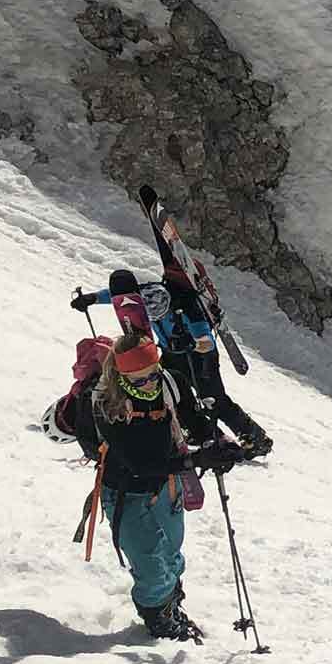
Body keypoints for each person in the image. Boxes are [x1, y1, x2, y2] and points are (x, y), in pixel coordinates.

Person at [71, 218, 271, 460]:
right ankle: (204, 435)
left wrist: (202, 355)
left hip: (200, 357)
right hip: (171, 354)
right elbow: (118, 296)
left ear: (169, 304)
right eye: (151, 312)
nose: (155, 315)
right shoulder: (148, 294)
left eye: (160, 312)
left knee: (215, 400)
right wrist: (91, 299)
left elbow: (205, 339)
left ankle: (256, 439)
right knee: (176, 396)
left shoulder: (187, 307)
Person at [89, 335, 237, 641]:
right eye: (139, 380)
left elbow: (193, 420)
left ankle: (171, 606)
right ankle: (160, 622)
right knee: (151, 567)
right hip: (125, 493)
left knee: (171, 556)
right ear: (120, 376)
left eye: (153, 373)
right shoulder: (105, 402)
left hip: (166, 488)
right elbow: (138, 462)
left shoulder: (170, 383)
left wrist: (216, 443)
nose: (150, 384)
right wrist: (193, 460)